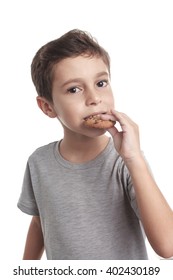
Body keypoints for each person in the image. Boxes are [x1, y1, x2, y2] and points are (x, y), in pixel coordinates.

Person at [17, 29, 173, 260]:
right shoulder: (38, 162)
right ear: (47, 107)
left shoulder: (125, 161)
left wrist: (134, 159)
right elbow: (41, 224)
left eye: (101, 83)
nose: (94, 98)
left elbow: (168, 247)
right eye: (74, 89)